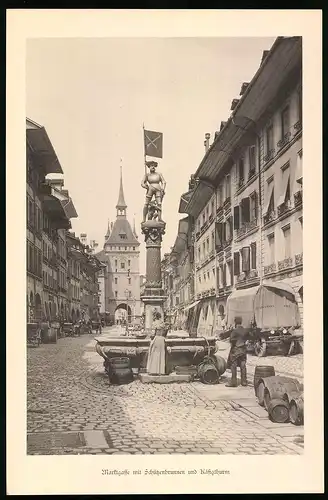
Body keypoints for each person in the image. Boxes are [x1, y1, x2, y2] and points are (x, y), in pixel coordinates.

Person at [225, 316, 249, 387]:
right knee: (243, 365)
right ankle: (244, 382)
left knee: (233, 365)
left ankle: (233, 382)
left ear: (235, 322)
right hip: (243, 350)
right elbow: (248, 339)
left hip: (236, 350)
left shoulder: (234, 331)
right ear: (241, 322)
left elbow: (231, 340)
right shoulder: (245, 330)